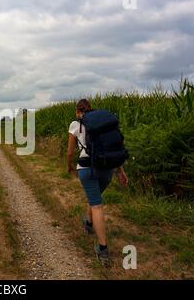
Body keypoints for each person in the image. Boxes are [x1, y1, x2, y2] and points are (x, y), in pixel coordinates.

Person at [67, 99, 128, 267]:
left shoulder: (76, 124)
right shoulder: (103, 123)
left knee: (96, 205)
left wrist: (69, 166)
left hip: (87, 169)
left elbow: (70, 152)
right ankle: (88, 223)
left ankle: (102, 248)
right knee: (94, 197)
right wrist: (120, 171)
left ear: (78, 111)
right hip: (107, 168)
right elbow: (113, 146)